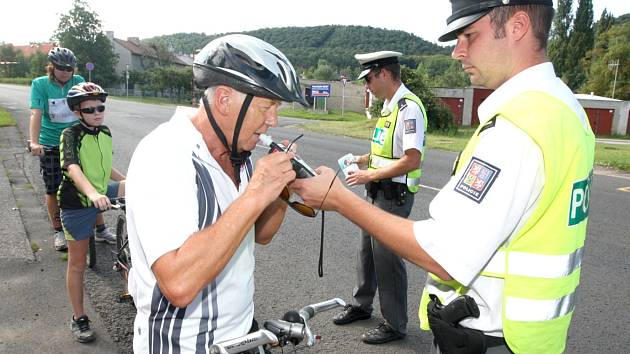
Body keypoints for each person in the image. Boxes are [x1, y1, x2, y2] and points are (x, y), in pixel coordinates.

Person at [293, 1, 595, 353]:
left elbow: (446, 256)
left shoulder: (518, 128)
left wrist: (337, 197)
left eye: (469, 35)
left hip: (489, 339)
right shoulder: (561, 108)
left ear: (518, 26)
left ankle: (393, 321)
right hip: (526, 336)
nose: (457, 51)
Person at [125, 34, 308, 352]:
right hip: (183, 345)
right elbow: (179, 283)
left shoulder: (240, 154)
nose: (273, 120)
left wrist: (280, 192)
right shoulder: (165, 154)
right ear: (224, 100)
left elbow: (259, 234)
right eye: (267, 106)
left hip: (240, 334)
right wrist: (256, 193)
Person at [331, 51, 427, 345]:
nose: (367, 86)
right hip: (377, 192)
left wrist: (368, 176)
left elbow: (411, 159)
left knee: (387, 258)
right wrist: (361, 160)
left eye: (369, 78)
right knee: (367, 253)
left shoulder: (409, 108)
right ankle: (362, 305)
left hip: (393, 195)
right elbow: (386, 152)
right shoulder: (389, 106)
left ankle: (395, 324)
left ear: (384, 73)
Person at [58, 82, 126, 342]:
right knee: (77, 264)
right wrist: (92, 194)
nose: (98, 113)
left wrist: (130, 182)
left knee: (144, 189)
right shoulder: (70, 134)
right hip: (78, 201)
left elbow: (107, 168)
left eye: (101, 107)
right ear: (77, 112)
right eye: (90, 109)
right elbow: (73, 168)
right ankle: (78, 318)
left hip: (100, 191)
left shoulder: (105, 131)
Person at [29, 47, 116, 251]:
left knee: (94, 182)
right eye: (60, 68)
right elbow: (36, 113)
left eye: (69, 68)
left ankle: (100, 228)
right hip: (50, 141)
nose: (65, 72)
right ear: (52, 67)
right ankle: (59, 229)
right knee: (53, 188)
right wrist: (34, 142)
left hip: (80, 137)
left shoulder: (77, 81)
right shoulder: (40, 84)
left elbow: (91, 103)